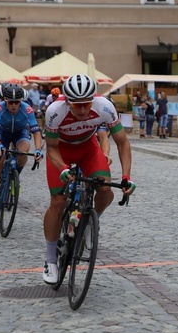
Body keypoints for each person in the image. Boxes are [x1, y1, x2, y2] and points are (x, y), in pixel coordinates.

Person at [41, 74, 135, 284]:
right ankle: (50, 260)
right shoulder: (55, 112)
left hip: (88, 149)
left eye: (86, 104)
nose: (83, 110)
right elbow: (52, 149)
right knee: (57, 201)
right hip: (61, 151)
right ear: (67, 101)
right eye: (77, 106)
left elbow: (123, 143)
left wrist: (126, 176)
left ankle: (92, 222)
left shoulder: (104, 106)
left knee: (104, 189)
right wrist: (63, 168)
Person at [0, 84, 44, 221]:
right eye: (11, 102)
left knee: (23, 152)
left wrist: (38, 149)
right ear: (5, 101)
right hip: (2, 134)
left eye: (17, 102)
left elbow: (36, 132)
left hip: (19, 133)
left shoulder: (27, 109)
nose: (14, 105)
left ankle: (15, 180)